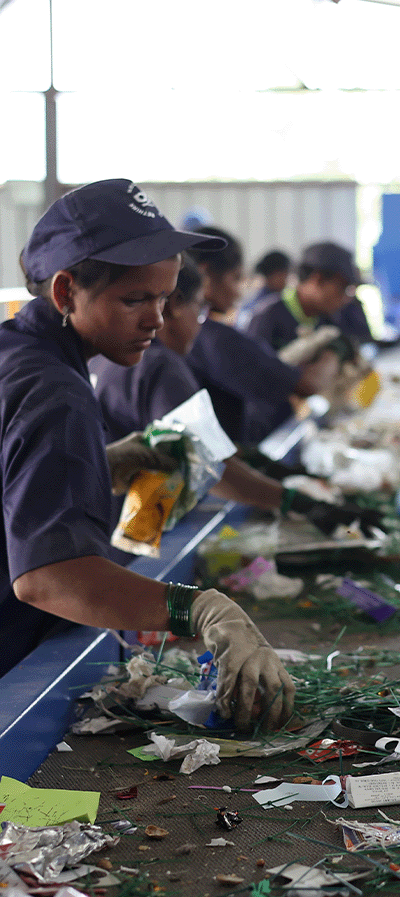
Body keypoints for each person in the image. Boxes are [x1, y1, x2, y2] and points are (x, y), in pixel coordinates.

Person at [0, 178, 295, 732]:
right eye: (134, 299)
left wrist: (104, 464)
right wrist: (203, 609)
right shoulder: (53, 389)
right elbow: (49, 578)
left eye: (163, 298)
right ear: (65, 294)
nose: (156, 319)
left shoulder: (19, 350)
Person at [91, 255, 383, 535]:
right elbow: (208, 464)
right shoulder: (160, 365)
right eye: (200, 309)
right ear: (173, 307)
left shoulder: (109, 354)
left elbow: (179, 441)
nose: (201, 323)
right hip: (133, 532)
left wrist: (250, 458)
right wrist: (298, 503)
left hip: (107, 521)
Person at [184, 227, 351, 446]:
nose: (237, 293)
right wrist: (334, 350)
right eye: (235, 279)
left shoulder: (330, 318)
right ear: (204, 275)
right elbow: (305, 384)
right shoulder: (219, 335)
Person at [247, 241, 364, 351]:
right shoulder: (266, 318)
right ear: (318, 279)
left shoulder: (330, 320)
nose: (346, 298)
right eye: (343, 288)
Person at [236, 249, 292, 331]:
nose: (287, 279)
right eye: (285, 274)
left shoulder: (285, 298)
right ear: (275, 275)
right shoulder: (259, 305)